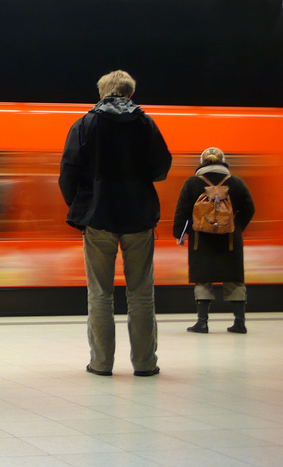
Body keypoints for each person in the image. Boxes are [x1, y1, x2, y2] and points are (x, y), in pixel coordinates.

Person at [59, 70, 172, 377]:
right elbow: (162, 166)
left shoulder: (84, 124)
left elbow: (68, 172)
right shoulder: (145, 123)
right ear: (130, 93)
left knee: (99, 294)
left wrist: (81, 208)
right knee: (141, 294)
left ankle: (101, 363)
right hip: (139, 217)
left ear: (102, 93)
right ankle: (145, 364)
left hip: (98, 219)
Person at [173, 148, 255, 334]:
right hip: (230, 240)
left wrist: (180, 233)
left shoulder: (192, 183)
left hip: (201, 240)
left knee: (203, 279)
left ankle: (202, 323)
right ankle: (240, 322)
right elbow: (250, 208)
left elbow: (182, 211)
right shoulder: (236, 183)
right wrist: (237, 226)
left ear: (202, 162)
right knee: (234, 279)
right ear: (223, 162)